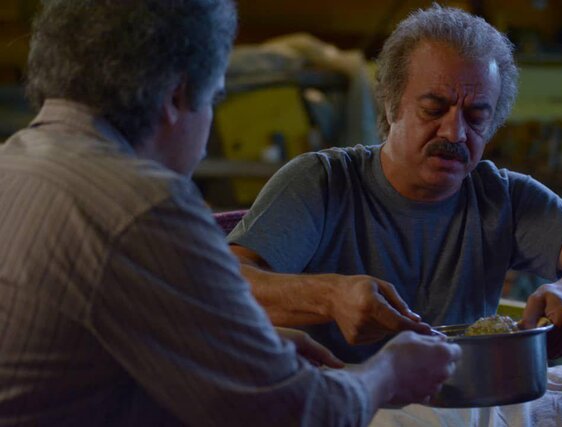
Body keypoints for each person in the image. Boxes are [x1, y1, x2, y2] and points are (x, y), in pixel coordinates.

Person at [0, 1, 461, 425]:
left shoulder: (12, 163)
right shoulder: (144, 206)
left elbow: (88, 343)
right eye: (214, 100)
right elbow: (292, 413)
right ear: (177, 98)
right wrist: (387, 373)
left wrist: (242, 346)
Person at [228, 4, 562, 363]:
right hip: (344, 400)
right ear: (392, 104)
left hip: (460, 403)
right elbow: (226, 283)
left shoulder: (503, 198)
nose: (455, 133)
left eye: (476, 117)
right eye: (433, 108)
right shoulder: (321, 182)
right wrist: (329, 297)